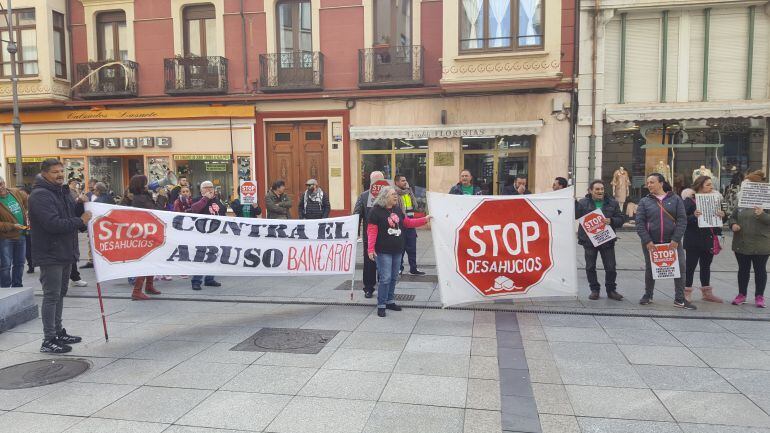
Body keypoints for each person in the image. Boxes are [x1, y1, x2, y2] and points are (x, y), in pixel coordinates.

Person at [29, 158, 91, 353]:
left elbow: (70, 214)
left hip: (65, 251)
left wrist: (80, 206)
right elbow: (53, 224)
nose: (60, 175)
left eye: (61, 172)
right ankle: (48, 340)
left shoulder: (61, 191)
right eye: (55, 172)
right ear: (44, 173)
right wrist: (80, 221)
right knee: (51, 296)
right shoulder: (40, 195)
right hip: (50, 253)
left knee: (60, 294)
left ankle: (57, 331)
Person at [367, 186, 430, 317]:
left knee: (394, 277)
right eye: (392, 194)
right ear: (385, 197)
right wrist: (370, 249)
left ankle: (390, 301)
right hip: (383, 251)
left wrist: (425, 219)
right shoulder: (376, 211)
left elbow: (408, 223)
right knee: (385, 278)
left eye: (396, 194)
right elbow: (371, 232)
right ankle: (381, 304)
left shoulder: (397, 210)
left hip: (397, 250)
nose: (396, 196)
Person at [636, 173, 694, 310]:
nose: (648, 185)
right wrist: (647, 241)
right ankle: (648, 295)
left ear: (661, 183)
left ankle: (680, 299)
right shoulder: (644, 201)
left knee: (679, 268)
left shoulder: (675, 199)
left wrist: (676, 239)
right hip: (651, 242)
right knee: (651, 268)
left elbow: (682, 220)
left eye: (652, 182)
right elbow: (639, 223)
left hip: (672, 242)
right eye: (648, 182)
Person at [575, 180, 624, 301]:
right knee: (590, 267)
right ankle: (594, 290)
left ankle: (611, 290)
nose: (600, 191)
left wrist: (611, 220)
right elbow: (575, 215)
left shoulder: (612, 202)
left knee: (611, 267)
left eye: (601, 189)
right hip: (589, 241)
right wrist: (573, 202)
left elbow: (621, 219)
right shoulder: (582, 203)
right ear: (590, 191)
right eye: (597, 189)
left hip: (606, 240)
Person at [729, 171, 770, 308]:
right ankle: (742, 294)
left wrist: (763, 214)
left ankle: (759, 296)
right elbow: (733, 216)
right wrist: (733, 224)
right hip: (742, 241)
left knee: (760, 270)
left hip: (761, 243)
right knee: (743, 270)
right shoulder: (741, 200)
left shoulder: (767, 200)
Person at [682, 176, 725, 303]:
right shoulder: (690, 201)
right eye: (708, 185)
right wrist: (693, 217)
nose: (711, 187)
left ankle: (707, 293)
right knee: (690, 266)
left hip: (709, 238)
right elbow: (682, 219)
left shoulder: (715, 200)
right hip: (694, 239)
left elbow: (721, 219)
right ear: (700, 186)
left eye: (711, 185)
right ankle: (686, 291)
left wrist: (723, 215)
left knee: (706, 266)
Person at [121, 175, 162, 300]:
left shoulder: (141, 196)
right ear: (140, 185)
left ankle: (149, 286)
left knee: (152, 259)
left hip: (146, 232)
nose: (147, 185)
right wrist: (162, 196)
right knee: (146, 261)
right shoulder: (140, 198)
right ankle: (137, 291)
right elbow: (157, 212)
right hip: (144, 234)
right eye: (145, 183)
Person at [189, 180, 225, 290]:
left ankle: (209, 279)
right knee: (200, 256)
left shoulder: (217, 200)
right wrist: (206, 199)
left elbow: (222, 211)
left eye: (211, 187)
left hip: (215, 232)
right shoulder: (197, 199)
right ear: (201, 190)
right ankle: (196, 281)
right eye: (206, 187)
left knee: (213, 255)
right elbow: (194, 209)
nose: (210, 189)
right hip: (202, 232)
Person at [354, 171, 384, 298]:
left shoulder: (389, 195)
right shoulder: (364, 196)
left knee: (384, 262)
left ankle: (384, 286)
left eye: (380, 181)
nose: (378, 184)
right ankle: (368, 288)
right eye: (375, 181)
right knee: (369, 263)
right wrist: (356, 234)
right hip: (369, 236)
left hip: (386, 236)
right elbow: (356, 215)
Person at [0, 176, 29, 288]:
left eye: (1, 183)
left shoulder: (14, 192)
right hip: (5, 238)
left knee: (20, 264)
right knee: (5, 265)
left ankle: (17, 286)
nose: (0, 187)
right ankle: (5, 289)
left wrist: (26, 211)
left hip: (21, 235)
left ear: (4, 182)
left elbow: (26, 199)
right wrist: (12, 226)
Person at [394, 174, 425, 276]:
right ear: (396, 182)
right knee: (400, 248)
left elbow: (415, 206)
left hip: (410, 223)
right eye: (402, 180)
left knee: (412, 248)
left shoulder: (408, 192)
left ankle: (413, 268)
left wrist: (410, 191)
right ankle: (399, 268)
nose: (405, 182)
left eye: (405, 180)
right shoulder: (394, 193)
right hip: (400, 224)